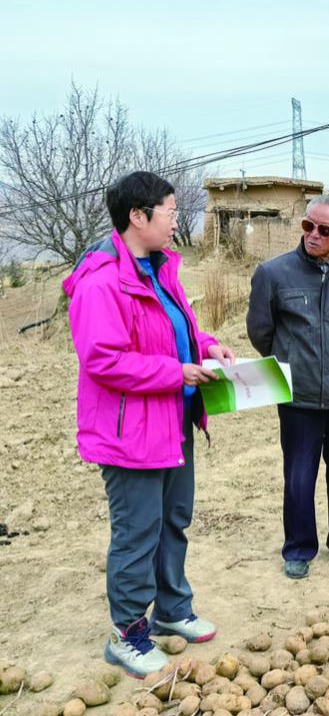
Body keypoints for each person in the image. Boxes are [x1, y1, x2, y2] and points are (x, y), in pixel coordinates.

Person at [63, 171, 235, 677]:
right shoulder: (101, 282)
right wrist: (176, 372)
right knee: (138, 532)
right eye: (170, 212)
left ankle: (172, 610)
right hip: (129, 433)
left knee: (173, 521)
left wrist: (206, 346)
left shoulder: (158, 269)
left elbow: (176, 328)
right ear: (138, 217)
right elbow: (104, 360)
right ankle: (128, 633)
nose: (177, 221)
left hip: (173, 420)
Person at [247, 195, 329, 580]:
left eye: (323, 229)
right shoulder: (273, 273)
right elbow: (260, 333)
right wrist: (294, 361)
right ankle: (298, 548)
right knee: (299, 474)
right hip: (297, 394)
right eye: (307, 226)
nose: (313, 235)